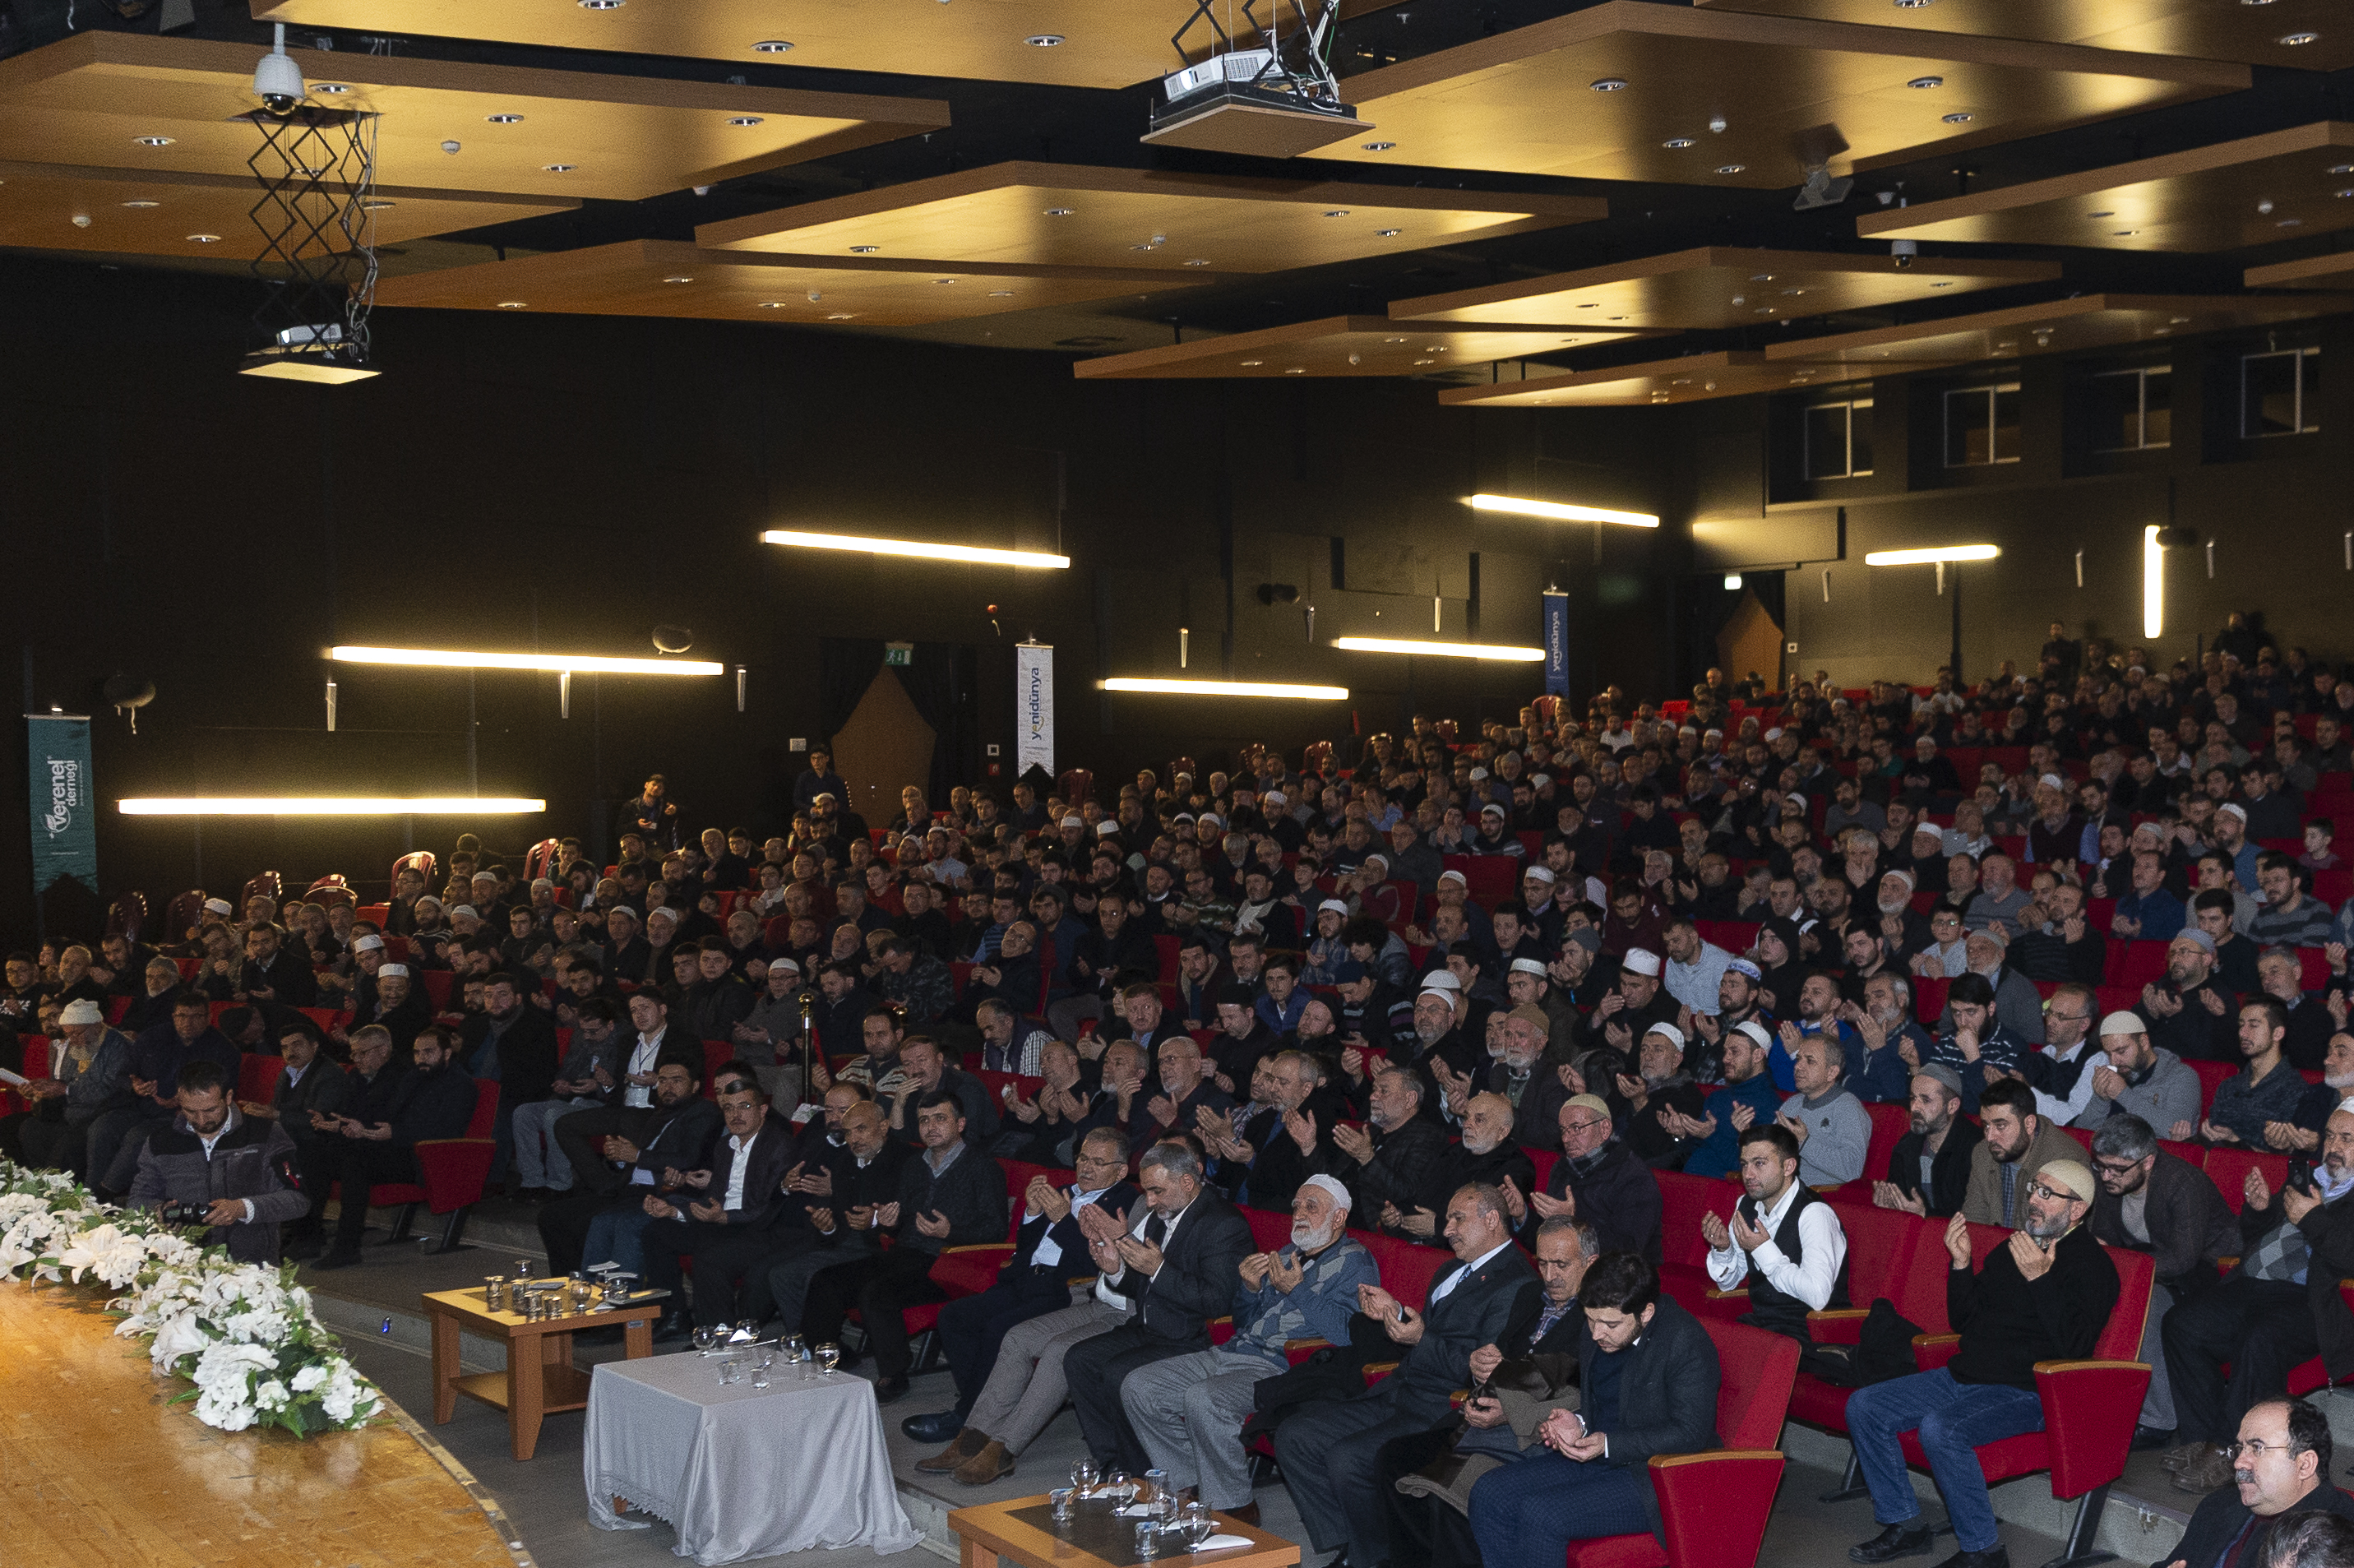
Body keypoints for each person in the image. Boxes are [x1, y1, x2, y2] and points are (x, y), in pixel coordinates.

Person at [1846, 1159, 2119, 1568]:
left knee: (1941, 1429)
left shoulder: (2094, 1266)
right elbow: (1965, 1320)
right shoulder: (2015, 1247)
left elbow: (2076, 1350)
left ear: (2076, 1209)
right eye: (2033, 1190)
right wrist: (1960, 1263)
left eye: (2047, 1194)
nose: (2034, 1201)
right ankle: (1905, 1525)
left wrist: (2041, 1280)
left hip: (2030, 1391)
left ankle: (1984, 1551)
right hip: (1966, 1374)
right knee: (1865, 1405)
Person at [1274, 1182, 1537, 1568]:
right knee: (1295, 1436)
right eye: (1448, 1219)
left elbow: (1482, 1368)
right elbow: (1425, 1332)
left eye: (1458, 1219)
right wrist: (1393, 1314)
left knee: (1348, 1459)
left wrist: (1421, 1338)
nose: (1446, 1229)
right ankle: (1356, 1545)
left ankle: (1375, 1558)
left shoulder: (1518, 1284)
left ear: (1493, 1220)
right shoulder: (1452, 1269)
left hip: (1439, 1405)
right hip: (1399, 1387)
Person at [1122, 1176, 1376, 1519]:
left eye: (1311, 1207)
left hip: (1283, 1365)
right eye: (1297, 1206)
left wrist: (1297, 1291)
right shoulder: (1286, 1254)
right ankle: (1189, 1485)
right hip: (1233, 1351)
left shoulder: (1355, 1261)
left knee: (1205, 1398)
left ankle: (1235, 1506)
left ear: (1339, 1218)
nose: (1299, 1213)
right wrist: (1249, 1289)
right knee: (1139, 1386)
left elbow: (1347, 1333)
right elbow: (1244, 1323)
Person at [1464, 1251, 1723, 1568]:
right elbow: (1602, 1399)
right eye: (1590, 1319)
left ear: (1646, 1313)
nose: (1597, 1333)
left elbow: (1691, 1433)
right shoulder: (1600, 1328)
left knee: (1542, 1515)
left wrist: (1606, 1443)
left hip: (1653, 1475)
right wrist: (1579, 1423)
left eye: (1610, 1324)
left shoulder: (1685, 1342)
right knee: (1488, 1493)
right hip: (1599, 1456)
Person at [1375, 1217, 1600, 1568]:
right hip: (1488, 1416)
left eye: (1562, 1264)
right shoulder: (1529, 1296)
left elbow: (1584, 1392)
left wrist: (1509, 1410)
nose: (1550, 1275)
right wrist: (1484, 1362)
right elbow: (1503, 1356)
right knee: (1394, 1458)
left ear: (1591, 1263)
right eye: (1542, 1263)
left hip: (1538, 1430)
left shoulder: (1599, 1315)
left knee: (1451, 1497)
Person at [904, 1129, 1139, 1456]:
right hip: (1025, 1278)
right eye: (1083, 1158)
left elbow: (1095, 1264)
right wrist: (1031, 1212)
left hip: (1065, 1290)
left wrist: (1061, 1219)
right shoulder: (1062, 1191)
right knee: (954, 1317)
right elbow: (1027, 1247)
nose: (1086, 1167)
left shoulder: (1125, 1204)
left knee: (1000, 1328)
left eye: (1099, 1162)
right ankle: (977, 1405)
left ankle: (967, 1418)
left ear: (1121, 1170)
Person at [2162, 1107, 2354, 1494]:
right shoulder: (2308, 1179)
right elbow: (2257, 1235)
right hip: (2252, 1285)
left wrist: (2312, 1218)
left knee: (2260, 1338)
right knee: (2181, 1324)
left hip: (2307, 1301)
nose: (2333, 1147)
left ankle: (2235, 1451)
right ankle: (2204, 1441)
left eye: (2347, 1140)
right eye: (2330, 1136)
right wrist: (2260, 1207)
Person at [801, 1090, 1010, 1403]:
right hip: (907, 1253)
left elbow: (996, 1229)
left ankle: (894, 1375)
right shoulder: (914, 1165)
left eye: (940, 1119)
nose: (931, 1127)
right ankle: (831, 1356)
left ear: (961, 1123)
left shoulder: (982, 1167)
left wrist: (951, 1231)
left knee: (876, 1292)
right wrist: (888, 1220)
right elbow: (902, 1220)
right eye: (924, 1120)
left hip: (949, 1262)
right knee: (825, 1279)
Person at [1062, 1140, 1256, 1470]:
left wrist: (1158, 1269)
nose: (1150, 1201)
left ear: (1186, 1182)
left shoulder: (1223, 1224)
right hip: (1150, 1327)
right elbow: (1141, 1284)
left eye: (1157, 1191)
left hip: (1191, 1337)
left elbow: (1216, 1301)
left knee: (1116, 1373)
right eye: (1147, 1191)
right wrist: (1116, 1269)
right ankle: (1112, 1464)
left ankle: (1140, 1472)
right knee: (1078, 1359)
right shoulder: (1162, 1214)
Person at [2087, 1112, 2240, 1452]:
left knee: (2148, 1302)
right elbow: (2106, 1237)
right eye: (2101, 1166)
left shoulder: (2183, 1183)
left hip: (2206, 1276)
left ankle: (2159, 1420)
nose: (2107, 1176)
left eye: (2117, 1169)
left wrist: (2124, 1264)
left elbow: (2183, 1259)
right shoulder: (2109, 1179)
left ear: (2148, 1162)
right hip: (2148, 1264)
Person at [638, 1073, 802, 1337]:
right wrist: (675, 1211)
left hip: (762, 1230)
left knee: (711, 1258)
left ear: (762, 1110)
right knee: (657, 1232)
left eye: (744, 1106)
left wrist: (724, 1218)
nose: (736, 1115)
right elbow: (710, 1201)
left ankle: (721, 1335)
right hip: (723, 1222)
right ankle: (675, 1313)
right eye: (729, 1107)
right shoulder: (725, 1145)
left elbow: (768, 1204)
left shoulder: (779, 1146)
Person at [308, 1026, 480, 1270]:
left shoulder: (460, 1085)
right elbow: (389, 1117)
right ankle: (308, 1235)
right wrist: (349, 1127)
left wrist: (392, 1132)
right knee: (318, 1153)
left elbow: (446, 1131)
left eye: (429, 1052)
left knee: (357, 1162)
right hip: (397, 1149)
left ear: (447, 1053)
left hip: (426, 1159)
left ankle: (347, 1248)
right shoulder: (413, 1077)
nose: (421, 1057)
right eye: (417, 1052)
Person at [536, 1058, 720, 1278]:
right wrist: (618, 1156)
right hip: (625, 1188)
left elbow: (687, 1159)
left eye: (676, 1080)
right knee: (551, 1216)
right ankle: (571, 1284)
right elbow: (636, 1160)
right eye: (662, 1080)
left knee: (599, 1221)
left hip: (659, 1192)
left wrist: (636, 1155)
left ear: (695, 1086)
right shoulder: (658, 1115)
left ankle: (601, 1292)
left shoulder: (702, 1113)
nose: (668, 1087)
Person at [126, 1060, 307, 1265]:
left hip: (251, 1264)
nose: (201, 1121)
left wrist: (243, 1208)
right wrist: (158, 1210)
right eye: (190, 1111)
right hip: (181, 1263)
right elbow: (137, 1200)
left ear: (228, 1097)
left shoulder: (266, 1134)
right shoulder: (160, 1142)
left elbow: (297, 1199)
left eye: (210, 1110)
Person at [2167, 1399, 2354, 1568]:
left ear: (2305, 1465)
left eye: (2257, 1448)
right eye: (2240, 1448)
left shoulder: (2341, 1539)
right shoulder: (2218, 1505)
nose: (2239, 1462)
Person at [550, 992, 703, 1196]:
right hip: (622, 1109)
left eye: (645, 1008)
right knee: (564, 1125)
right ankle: (604, 1186)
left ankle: (628, 1186)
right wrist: (609, 1084)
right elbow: (618, 1089)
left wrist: (658, 1082)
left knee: (631, 1119)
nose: (639, 1014)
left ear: (662, 1010)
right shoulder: (627, 1040)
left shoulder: (684, 1041)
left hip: (657, 1112)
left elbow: (692, 1082)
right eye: (634, 1010)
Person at [1503, 1094, 1663, 1260]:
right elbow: (1548, 1244)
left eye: (1577, 1128)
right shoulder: (1562, 1169)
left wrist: (1574, 1221)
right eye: (1563, 1130)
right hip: (1568, 1268)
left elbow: (1626, 1249)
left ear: (1605, 1128)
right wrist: (1522, 1215)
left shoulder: (1634, 1177)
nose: (1566, 1138)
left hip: (1622, 1276)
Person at [508, 997, 626, 1198]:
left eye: (593, 1031)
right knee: (523, 1113)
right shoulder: (581, 1037)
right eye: (583, 1030)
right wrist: (563, 1082)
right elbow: (568, 1066)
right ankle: (532, 1182)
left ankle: (560, 1184)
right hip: (573, 1099)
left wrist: (599, 1085)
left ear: (611, 1025)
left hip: (602, 1104)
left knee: (555, 1116)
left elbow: (623, 1085)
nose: (587, 1036)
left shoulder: (625, 1043)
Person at [1321, 1065, 1454, 1235]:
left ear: (1410, 1099)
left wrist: (1367, 1158)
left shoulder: (1427, 1136)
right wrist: (1308, 1147)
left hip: (1374, 1228)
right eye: (1374, 1090)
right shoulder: (1370, 1131)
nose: (1373, 1097)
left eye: (1383, 1091)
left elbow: (1407, 1193)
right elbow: (1330, 1179)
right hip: (1335, 1217)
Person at [7, 997, 131, 1173]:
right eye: (68, 1034)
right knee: (31, 1129)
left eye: (76, 1034)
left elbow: (112, 1089)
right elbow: (66, 1082)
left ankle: (59, 1188)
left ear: (96, 1026)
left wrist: (64, 1089)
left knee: (66, 1144)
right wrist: (45, 1088)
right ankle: (39, 1182)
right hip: (73, 1111)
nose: (71, 1040)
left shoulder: (117, 1046)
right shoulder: (80, 1044)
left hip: (103, 1112)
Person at [1962, 1078, 2081, 1229]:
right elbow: (1975, 1222)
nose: (1990, 1137)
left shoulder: (2065, 1162)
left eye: (2001, 1126)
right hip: (1997, 1248)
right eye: (1986, 1125)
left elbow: (2054, 1237)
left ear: (2029, 1124)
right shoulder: (1983, 1153)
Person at [1875, 1065, 1982, 1218]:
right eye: (1913, 1098)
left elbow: (1976, 1219)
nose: (1915, 1107)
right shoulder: (1906, 1146)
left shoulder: (1976, 1149)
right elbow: (1903, 1205)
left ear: (1952, 1106)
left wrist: (1926, 1214)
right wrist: (1891, 1206)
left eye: (1925, 1100)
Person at [2079, 1011, 2204, 1140]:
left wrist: (2123, 1094)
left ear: (2143, 1042)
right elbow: (2080, 1134)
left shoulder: (2182, 1077)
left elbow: (2175, 1132)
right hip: (2104, 1155)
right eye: (2109, 1054)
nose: (2114, 1061)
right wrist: (2100, 1100)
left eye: (2121, 1051)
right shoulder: (2115, 1075)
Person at [1775, 1030, 1872, 1187]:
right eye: (1799, 1059)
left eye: (1810, 1061)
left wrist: (1804, 1142)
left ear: (1831, 1072)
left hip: (1819, 1198)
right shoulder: (1792, 1104)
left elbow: (1852, 1170)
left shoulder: (1848, 1108)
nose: (1798, 1066)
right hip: (1782, 1192)